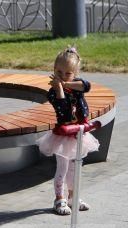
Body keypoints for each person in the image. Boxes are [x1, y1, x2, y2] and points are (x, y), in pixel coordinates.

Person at [37, 47, 100, 215]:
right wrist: (60, 89)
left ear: (75, 73)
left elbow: (87, 86)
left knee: (75, 167)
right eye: (59, 72)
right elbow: (64, 111)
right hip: (63, 136)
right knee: (63, 168)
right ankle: (59, 199)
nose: (63, 76)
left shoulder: (76, 86)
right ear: (53, 70)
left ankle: (73, 197)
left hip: (78, 133)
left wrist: (66, 84)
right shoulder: (53, 92)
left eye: (68, 73)